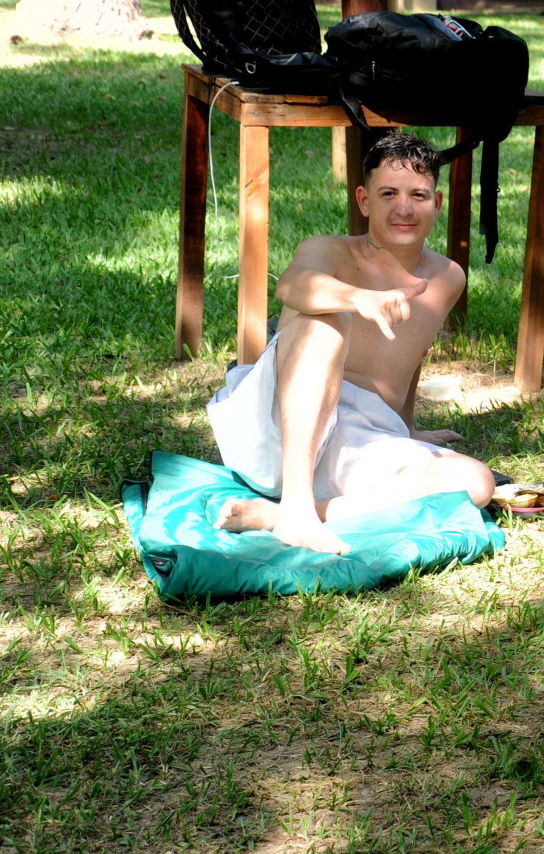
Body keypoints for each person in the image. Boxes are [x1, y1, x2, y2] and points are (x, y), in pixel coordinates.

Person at [207, 132, 495, 554]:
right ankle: (298, 507)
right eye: (388, 194)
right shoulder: (329, 252)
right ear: (364, 201)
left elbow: (412, 350)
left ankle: (288, 514)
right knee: (327, 322)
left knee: (476, 482)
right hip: (273, 427)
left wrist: (410, 429)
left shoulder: (447, 277)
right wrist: (359, 299)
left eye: (418, 195)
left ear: (437, 203)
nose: (403, 208)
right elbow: (294, 286)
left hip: (361, 439)